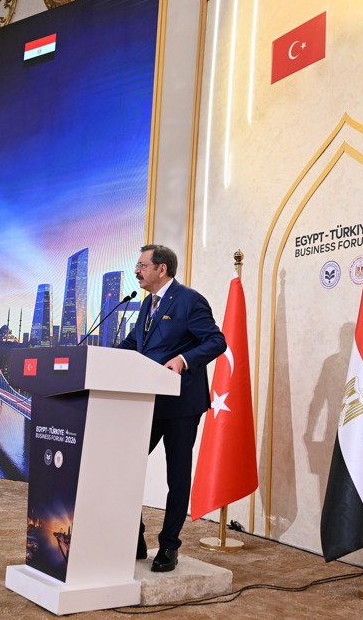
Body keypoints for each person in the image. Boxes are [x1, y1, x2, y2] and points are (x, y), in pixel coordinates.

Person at [118, 244, 226, 572]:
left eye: (142, 265)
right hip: (147, 401)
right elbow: (135, 344)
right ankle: (134, 536)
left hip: (181, 405)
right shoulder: (145, 304)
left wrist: (183, 360)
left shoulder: (189, 300)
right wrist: (101, 355)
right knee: (124, 466)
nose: (137, 271)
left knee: (176, 478)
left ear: (161, 269)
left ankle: (169, 546)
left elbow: (216, 341)